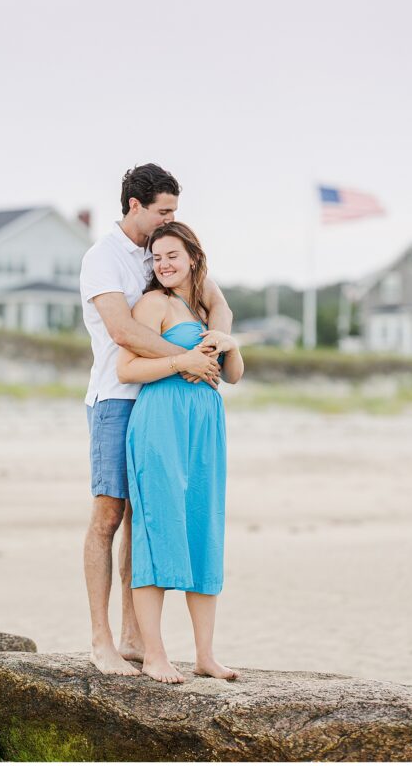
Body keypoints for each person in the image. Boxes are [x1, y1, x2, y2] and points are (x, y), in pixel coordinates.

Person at [79, 164, 233, 676]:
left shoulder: (160, 254)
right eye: (164, 210)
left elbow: (215, 303)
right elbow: (123, 331)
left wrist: (216, 341)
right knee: (109, 516)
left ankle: (133, 637)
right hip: (116, 398)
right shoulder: (102, 258)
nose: (170, 218)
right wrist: (185, 360)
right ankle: (101, 640)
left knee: (142, 521)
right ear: (135, 206)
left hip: (159, 401)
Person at [117, 221, 244, 684]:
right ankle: (154, 655)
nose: (163, 264)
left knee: (202, 528)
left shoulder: (207, 302)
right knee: (159, 529)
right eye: (156, 257)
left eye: (172, 255)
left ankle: (205, 655)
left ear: (192, 255)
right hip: (161, 421)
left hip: (206, 425)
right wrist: (180, 360)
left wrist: (228, 342)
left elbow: (233, 376)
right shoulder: (154, 303)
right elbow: (126, 367)